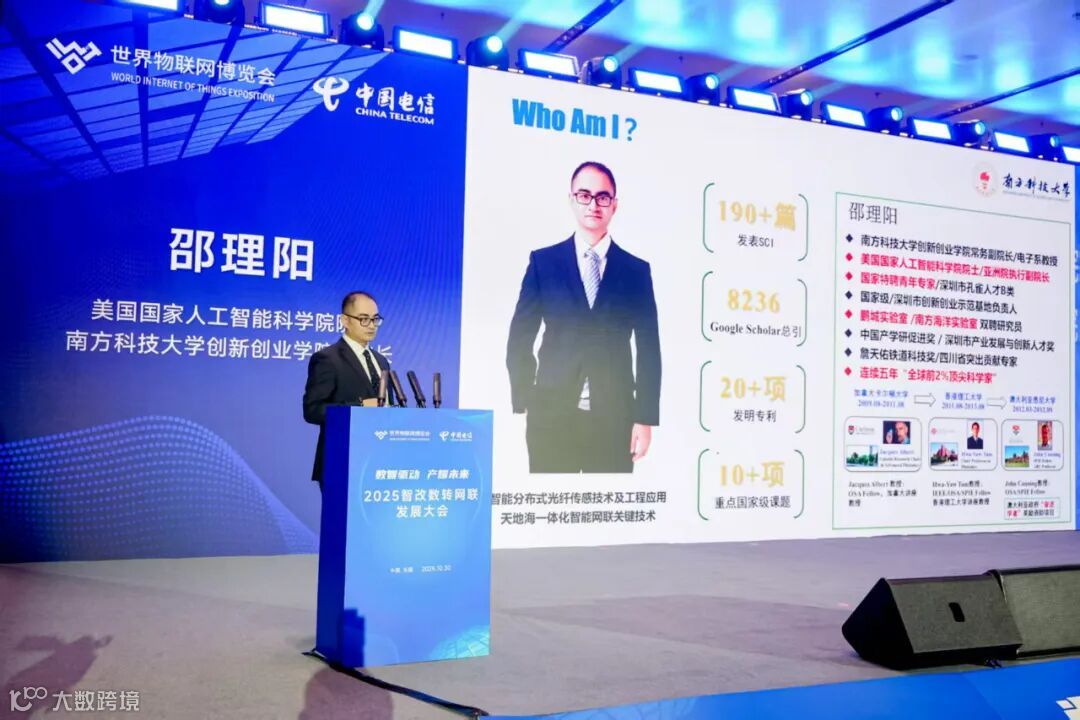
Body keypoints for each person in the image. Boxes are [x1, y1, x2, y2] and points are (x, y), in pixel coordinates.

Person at [506, 161, 661, 473]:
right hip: (550, 416)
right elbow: (520, 336)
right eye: (584, 195)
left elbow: (649, 348)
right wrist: (526, 399)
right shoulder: (543, 263)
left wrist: (644, 418)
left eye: (603, 197)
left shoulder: (636, 271)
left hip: (615, 419)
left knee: (605, 504)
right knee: (551, 502)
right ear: (572, 200)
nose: (593, 204)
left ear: (614, 205)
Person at [303, 291, 390, 488]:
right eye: (364, 319)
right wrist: (359, 407)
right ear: (345, 320)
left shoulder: (381, 361)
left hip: (377, 463)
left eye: (375, 319)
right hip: (341, 461)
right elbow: (312, 410)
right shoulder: (327, 359)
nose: (371, 325)